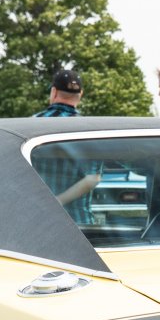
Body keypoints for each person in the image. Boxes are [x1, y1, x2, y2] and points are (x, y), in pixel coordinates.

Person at [32, 67, 98, 221]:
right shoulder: (90, 128)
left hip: (40, 219)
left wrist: (51, 204)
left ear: (54, 92)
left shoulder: (31, 123)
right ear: (80, 95)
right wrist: (59, 201)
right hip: (80, 222)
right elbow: (93, 178)